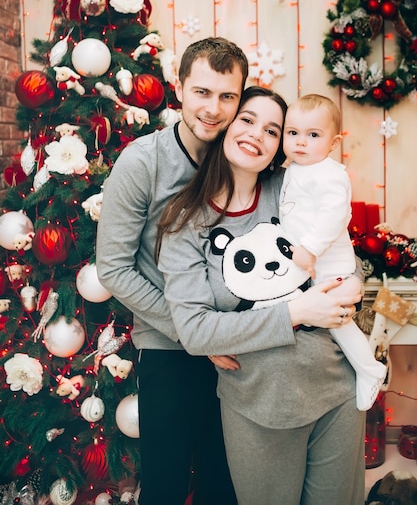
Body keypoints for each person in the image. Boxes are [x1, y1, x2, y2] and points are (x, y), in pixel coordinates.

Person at [157, 86, 365, 505]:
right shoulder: (187, 219)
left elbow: (334, 241)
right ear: (226, 126)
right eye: (248, 120)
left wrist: (356, 279)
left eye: (273, 130)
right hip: (258, 403)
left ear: (281, 144)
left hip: (336, 388)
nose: (258, 135)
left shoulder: (290, 189)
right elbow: (196, 331)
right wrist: (297, 311)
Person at [96, 37, 249, 505]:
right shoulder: (143, 161)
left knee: (224, 485)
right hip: (169, 345)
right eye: (203, 92)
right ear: (178, 87)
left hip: (240, 346)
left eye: (228, 96)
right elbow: (115, 269)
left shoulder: (245, 157)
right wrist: (195, 336)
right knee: (164, 484)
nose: (214, 108)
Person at [279, 94, 386, 411]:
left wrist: (309, 248)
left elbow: (334, 214)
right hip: (307, 267)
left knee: (339, 323)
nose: (301, 142)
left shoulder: (330, 172)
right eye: (293, 133)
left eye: (313, 135)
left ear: (334, 142)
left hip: (329, 266)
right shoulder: (293, 170)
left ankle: (369, 369)